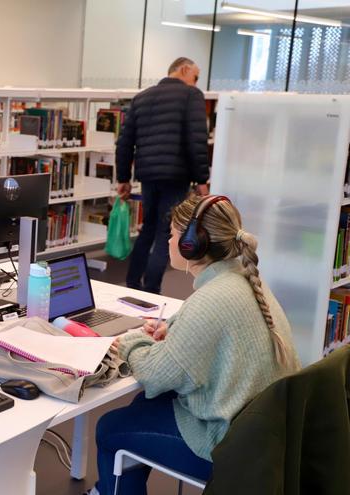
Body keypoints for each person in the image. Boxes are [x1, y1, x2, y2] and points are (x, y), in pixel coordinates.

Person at [84, 195, 301, 495]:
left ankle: (111, 488)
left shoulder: (210, 300)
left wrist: (132, 340)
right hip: (265, 437)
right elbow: (213, 339)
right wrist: (172, 332)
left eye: (172, 234)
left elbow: (155, 375)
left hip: (226, 447)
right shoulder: (246, 281)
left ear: (192, 245)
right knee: (143, 405)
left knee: (109, 428)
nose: (169, 241)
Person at [116, 57, 211, 294]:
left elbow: (125, 143)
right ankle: (151, 290)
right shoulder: (192, 96)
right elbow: (197, 140)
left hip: (147, 174)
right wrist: (202, 180)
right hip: (176, 175)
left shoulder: (142, 97)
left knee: (147, 228)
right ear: (184, 69)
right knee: (165, 232)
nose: (196, 82)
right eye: (195, 76)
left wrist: (123, 178)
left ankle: (132, 283)